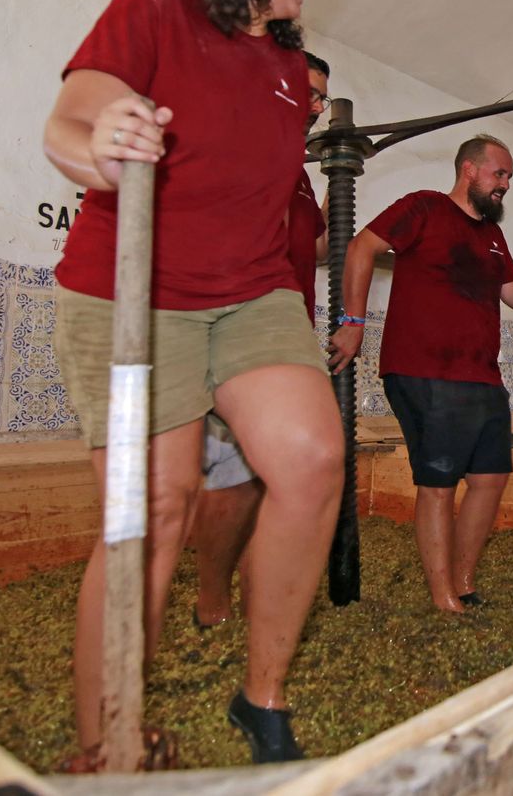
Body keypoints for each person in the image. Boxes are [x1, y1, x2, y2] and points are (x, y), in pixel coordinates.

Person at [40, 0, 344, 767]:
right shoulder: (153, 8)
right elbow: (71, 119)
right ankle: (106, 741)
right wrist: (104, 139)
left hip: (251, 295)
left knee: (313, 458)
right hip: (133, 293)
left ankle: (262, 695)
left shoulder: (290, 73)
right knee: (155, 506)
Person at [327, 134, 513, 613]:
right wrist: (353, 322)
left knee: (490, 479)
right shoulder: (423, 208)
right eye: (500, 173)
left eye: (508, 176)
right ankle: (443, 594)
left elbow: (512, 291)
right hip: (424, 370)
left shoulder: (491, 235)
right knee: (439, 482)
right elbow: (362, 247)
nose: (505, 184)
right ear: (470, 169)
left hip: (482, 376)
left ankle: (464, 581)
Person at [189, 52, 332, 631]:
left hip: (284, 334)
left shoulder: (296, 172)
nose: (318, 107)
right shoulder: (227, 138)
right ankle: (211, 596)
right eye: (310, 91)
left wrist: (337, 199)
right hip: (222, 328)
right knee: (236, 472)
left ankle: (254, 582)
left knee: (276, 470)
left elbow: (313, 250)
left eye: (323, 97)